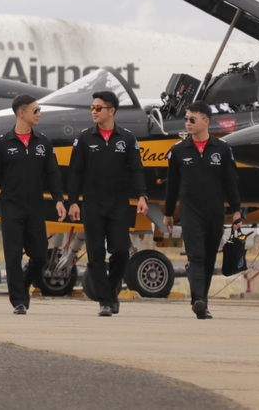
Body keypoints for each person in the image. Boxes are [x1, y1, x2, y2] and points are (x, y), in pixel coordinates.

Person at [0, 93, 66, 315]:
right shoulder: (2, 144)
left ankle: (24, 283)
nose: (39, 114)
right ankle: (19, 300)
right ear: (22, 113)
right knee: (13, 255)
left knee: (39, 256)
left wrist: (59, 199)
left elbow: (53, 174)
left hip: (35, 207)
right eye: (35, 110)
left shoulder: (43, 143)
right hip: (11, 207)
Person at [67, 90, 147, 317]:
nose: (94, 111)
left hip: (119, 204)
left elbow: (137, 171)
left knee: (121, 251)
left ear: (111, 111)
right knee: (95, 254)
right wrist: (73, 202)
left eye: (98, 108)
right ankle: (105, 301)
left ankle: (110, 291)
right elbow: (75, 173)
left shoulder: (127, 139)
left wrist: (142, 196)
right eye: (92, 107)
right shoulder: (84, 138)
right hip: (92, 204)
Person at [163, 100, 242, 320]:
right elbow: (172, 186)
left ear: (206, 122)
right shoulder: (178, 151)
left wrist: (237, 211)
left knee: (208, 258)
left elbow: (231, 183)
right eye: (185, 119)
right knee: (196, 255)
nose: (187, 123)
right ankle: (198, 300)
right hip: (190, 212)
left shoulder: (222, 149)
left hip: (214, 211)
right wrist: (169, 213)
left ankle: (202, 301)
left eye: (192, 119)